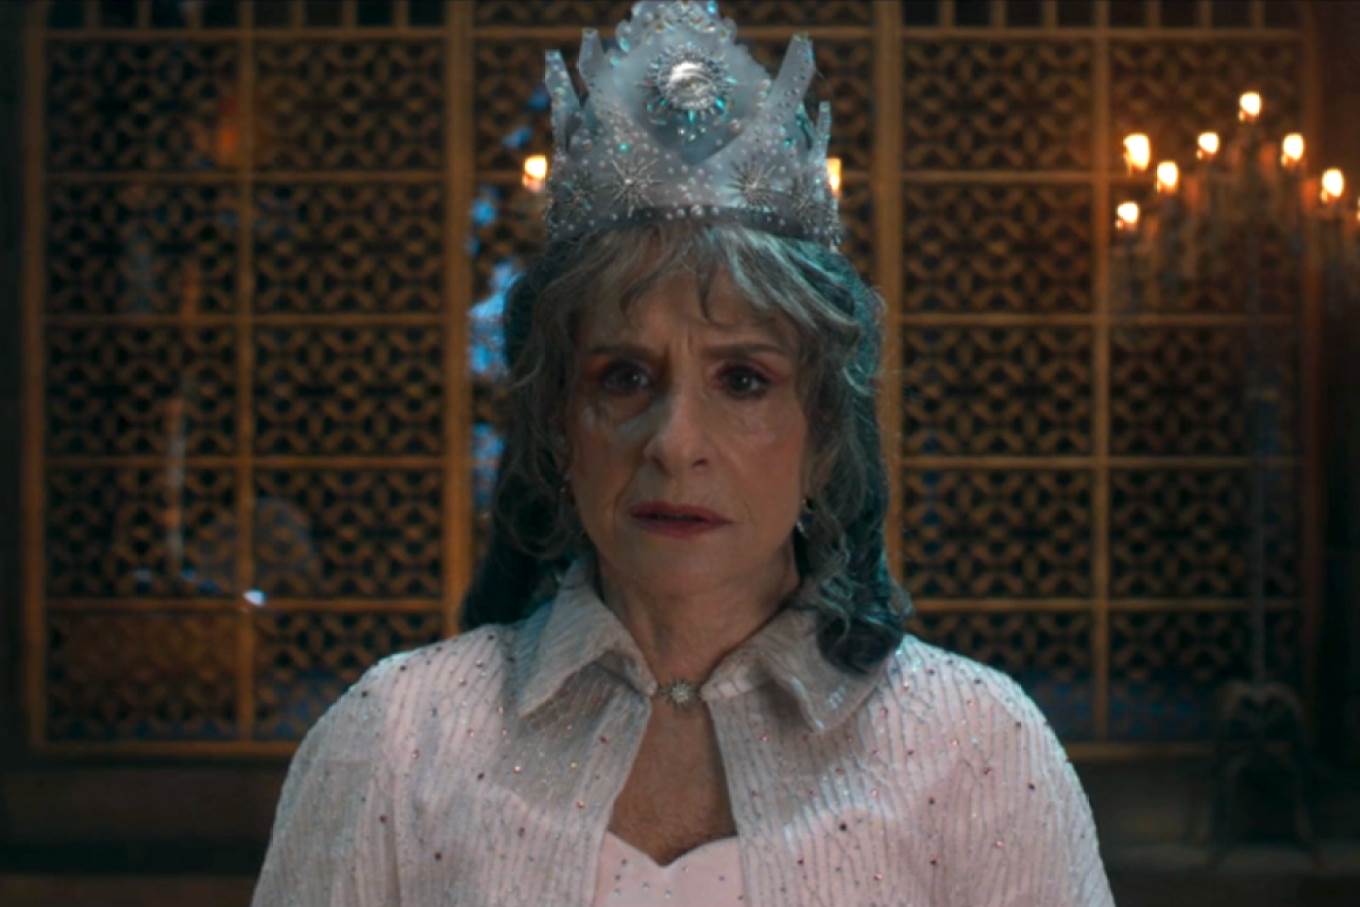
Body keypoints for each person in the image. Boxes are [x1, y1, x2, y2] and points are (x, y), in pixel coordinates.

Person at [250, 2, 1116, 905]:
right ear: (559, 426)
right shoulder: (397, 740)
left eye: (742, 379)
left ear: (824, 431)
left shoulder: (975, 747)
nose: (674, 443)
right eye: (625, 377)